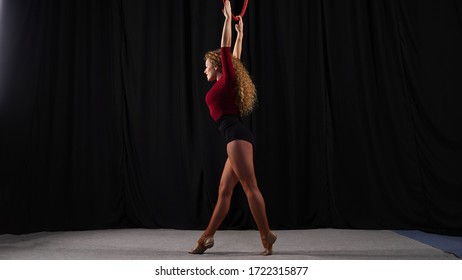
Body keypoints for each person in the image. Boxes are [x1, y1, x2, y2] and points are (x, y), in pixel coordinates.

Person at [189, 0, 277, 256]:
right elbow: (234, 57)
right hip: (236, 137)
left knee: (250, 187)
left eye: (206, 65)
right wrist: (242, 34)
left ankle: (265, 234)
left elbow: (227, 52)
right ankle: (207, 238)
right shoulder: (227, 81)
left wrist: (228, 19)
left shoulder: (225, 81)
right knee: (224, 191)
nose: (204, 70)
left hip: (236, 138)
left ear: (216, 67)